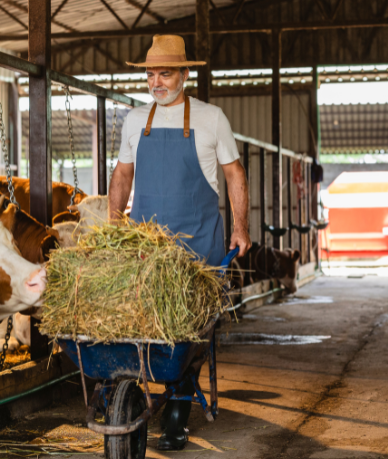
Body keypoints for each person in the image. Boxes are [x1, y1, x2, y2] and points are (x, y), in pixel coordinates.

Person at [108, 34, 252, 450]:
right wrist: (114, 227)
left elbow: (235, 175)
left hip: (198, 248)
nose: (156, 82)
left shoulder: (211, 118)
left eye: (165, 73)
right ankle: (138, 396)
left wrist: (239, 228)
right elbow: (122, 175)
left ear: (185, 75)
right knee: (143, 328)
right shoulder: (136, 120)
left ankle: (177, 410)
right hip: (147, 252)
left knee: (188, 334)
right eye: (151, 74)